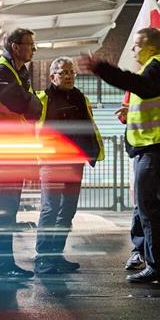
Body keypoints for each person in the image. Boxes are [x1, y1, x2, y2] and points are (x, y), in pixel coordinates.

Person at [81, 28, 160, 283]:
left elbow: (140, 86)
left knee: (150, 210)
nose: (134, 50)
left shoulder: (157, 66)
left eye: (136, 45)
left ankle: (157, 266)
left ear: (152, 47)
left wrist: (102, 68)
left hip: (156, 149)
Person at [0, 28, 44, 280]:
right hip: (1, 152)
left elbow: (33, 108)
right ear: (15, 47)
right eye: (30, 44)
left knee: (8, 210)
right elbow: (23, 104)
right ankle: (1, 265)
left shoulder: (19, 73)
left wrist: (30, 102)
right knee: (4, 210)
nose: (33, 49)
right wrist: (30, 101)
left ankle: (4, 264)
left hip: (13, 151)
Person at [34, 56, 104, 275]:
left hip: (75, 164)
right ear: (52, 76)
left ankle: (55, 255)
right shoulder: (43, 99)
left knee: (67, 211)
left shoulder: (80, 98)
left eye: (72, 72)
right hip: (52, 163)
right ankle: (43, 258)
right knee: (51, 208)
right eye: (63, 72)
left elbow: (88, 127)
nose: (69, 76)